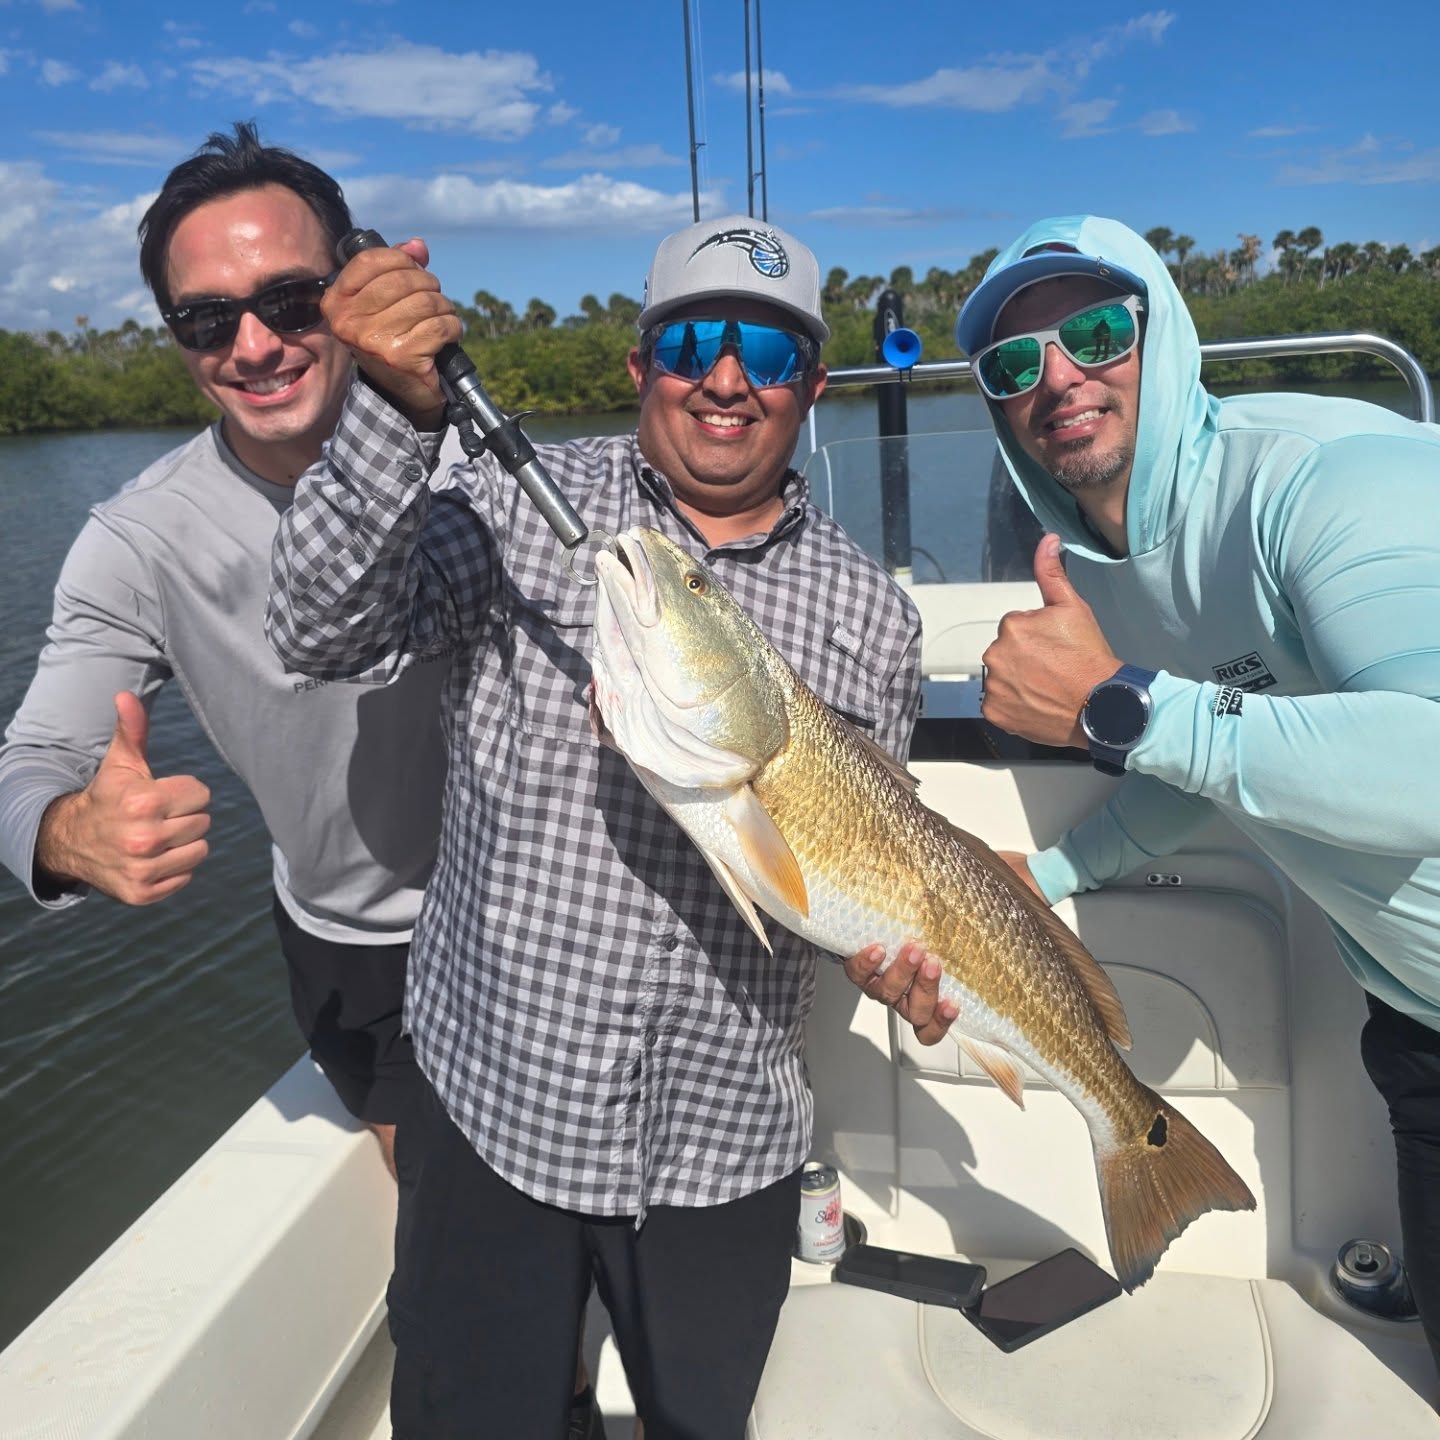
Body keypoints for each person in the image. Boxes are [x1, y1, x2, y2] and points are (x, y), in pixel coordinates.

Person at [265, 214, 923, 1438]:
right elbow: (318, 632)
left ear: (813, 388)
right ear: (640, 365)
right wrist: (394, 415)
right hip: (501, 1106)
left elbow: (844, 869)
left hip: (726, 1138)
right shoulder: (518, 504)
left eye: (769, 355)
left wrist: (898, 966)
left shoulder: (874, 615)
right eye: (695, 341)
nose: (727, 379)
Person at [0, 122, 604, 1436]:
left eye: (287, 300)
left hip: (541, 922)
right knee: (481, 1282)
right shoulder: (138, 539)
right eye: (208, 322)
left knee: (540, 1267)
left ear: (357, 283)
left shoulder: (489, 467)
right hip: (359, 956)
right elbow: (32, 757)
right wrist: (59, 830)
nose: (255, 346)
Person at [944, 213, 1440, 1372]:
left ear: (1162, 333)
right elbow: (1216, 754)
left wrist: (1118, 702)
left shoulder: (1324, 482)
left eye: (1097, 331)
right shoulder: (1102, 570)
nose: (1059, 377)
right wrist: (1051, 874)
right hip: (1416, 1026)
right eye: (1015, 365)